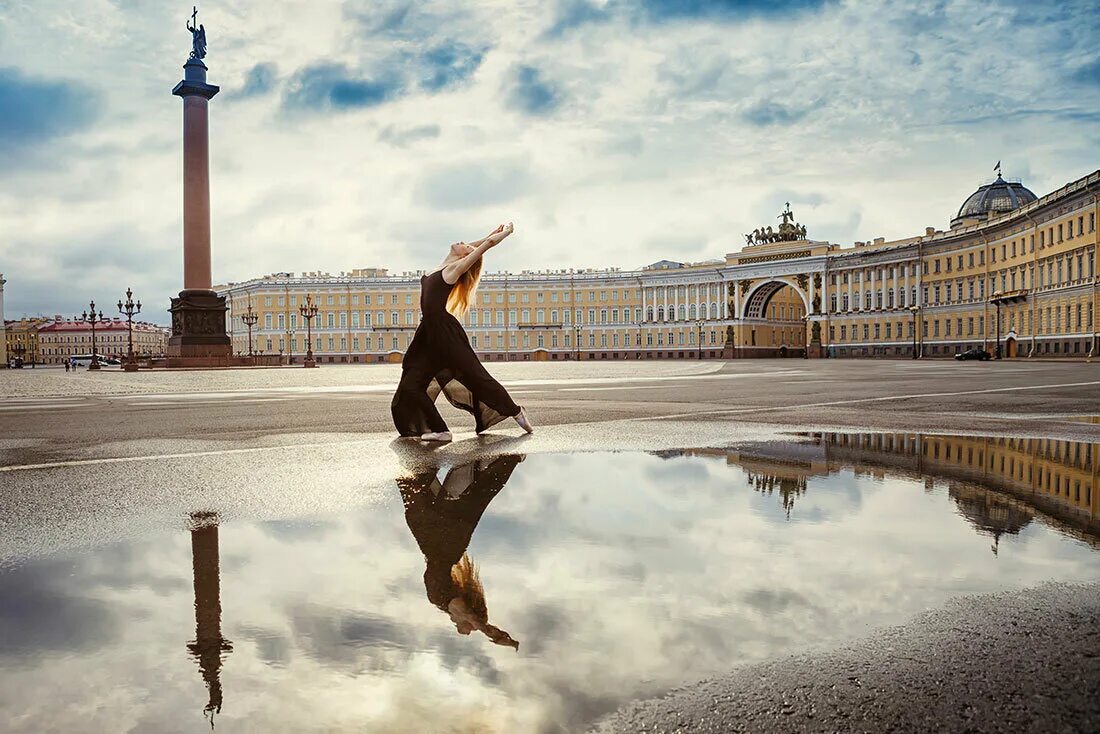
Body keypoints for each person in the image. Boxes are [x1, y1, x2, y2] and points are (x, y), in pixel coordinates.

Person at [391, 222, 534, 442]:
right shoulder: (439, 267)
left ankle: (515, 411)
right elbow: (476, 244)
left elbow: (483, 247)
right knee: (411, 386)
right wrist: (489, 235)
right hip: (428, 336)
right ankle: (441, 430)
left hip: (446, 334)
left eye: (465, 246)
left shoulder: (454, 270)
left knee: (476, 377)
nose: (462, 243)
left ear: (464, 256)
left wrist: (504, 234)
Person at [398, 454, 524, 649]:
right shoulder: (451, 601)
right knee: (414, 478)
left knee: (416, 476)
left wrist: (480, 626)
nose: (461, 629)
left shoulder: (445, 601)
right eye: (467, 626)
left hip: (438, 533)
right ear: (469, 614)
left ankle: (426, 439)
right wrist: (484, 629)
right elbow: (473, 618)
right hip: (441, 535)